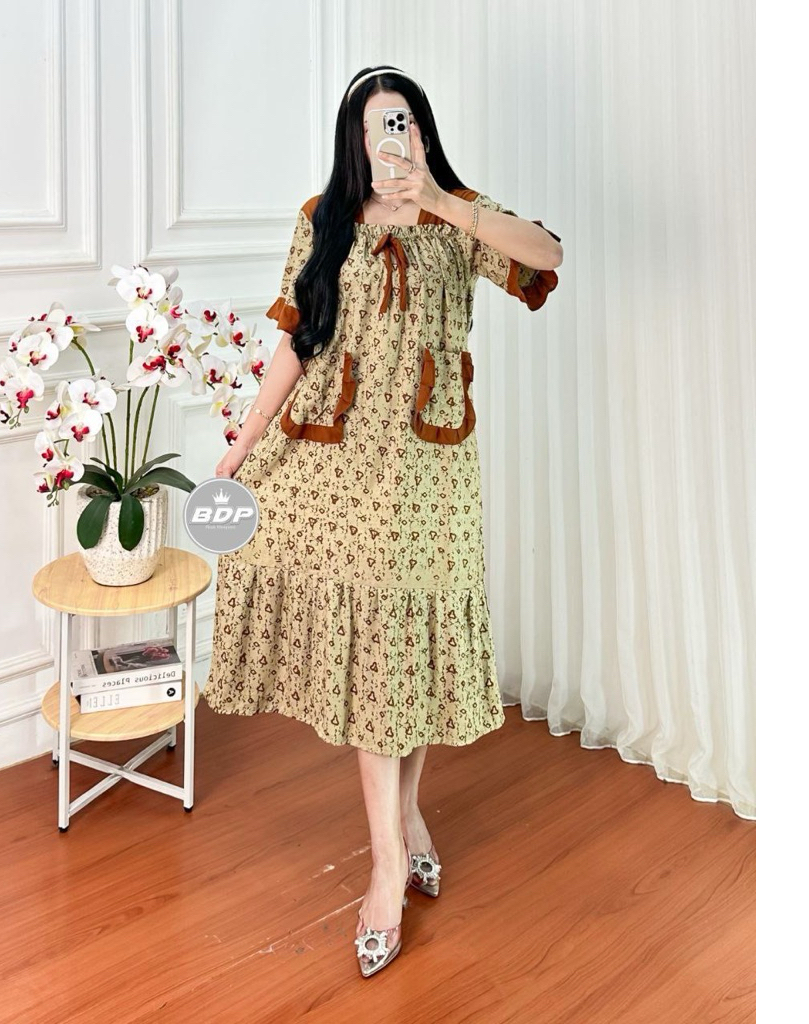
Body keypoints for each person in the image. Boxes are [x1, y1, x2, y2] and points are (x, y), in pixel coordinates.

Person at [204, 64, 563, 977]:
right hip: (337, 464)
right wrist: (244, 444)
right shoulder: (323, 217)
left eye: (401, 120)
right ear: (353, 142)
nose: (388, 138)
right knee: (376, 655)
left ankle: (404, 818)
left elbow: (548, 255)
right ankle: (387, 862)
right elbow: (300, 339)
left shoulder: (459, 218)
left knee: (405, 647)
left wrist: (441, 199)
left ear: (422, 131)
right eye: (373, 126)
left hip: (430, 474)